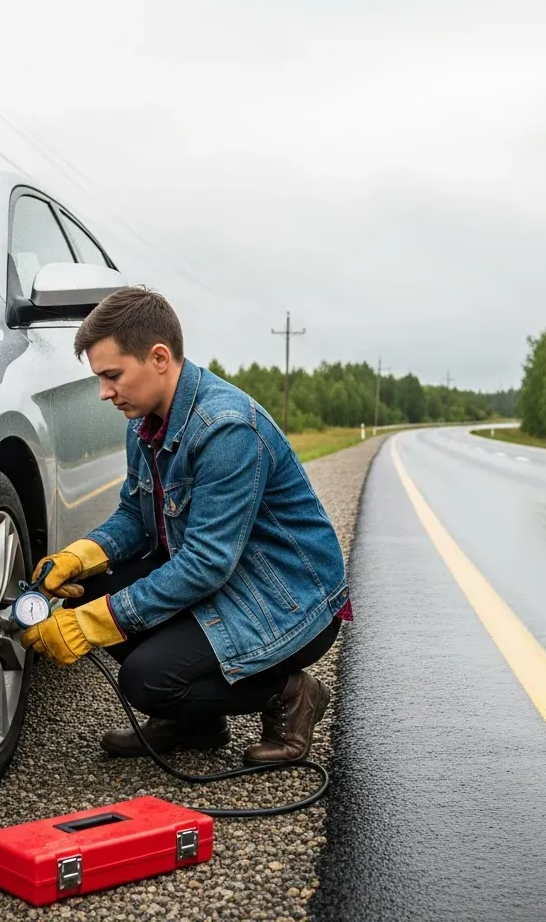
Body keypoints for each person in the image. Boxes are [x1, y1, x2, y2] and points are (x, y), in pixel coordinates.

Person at [20, 286, 352, 764]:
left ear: (159, 358)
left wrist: (93, 625)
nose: (104, 392)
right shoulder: (144, 422)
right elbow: (135, 515)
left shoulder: (226, 428)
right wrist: (80, 556)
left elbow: (206, 563)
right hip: (225, 578)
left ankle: (292, 693)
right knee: (87, 588)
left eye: (113, 375)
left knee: (146, 681)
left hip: (282, 601)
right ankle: (195, 723)